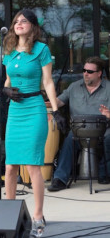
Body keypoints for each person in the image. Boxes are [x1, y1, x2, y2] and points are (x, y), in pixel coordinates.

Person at [2, 9, 64, 237]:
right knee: (10, 167)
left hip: (34, 109)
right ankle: (10, 214)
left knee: (32, 165)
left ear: (33, 26)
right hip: (15, 111)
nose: (19, 24)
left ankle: (38, 215)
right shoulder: (8, 51)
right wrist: (6, 89)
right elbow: (8, 79)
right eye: (16, 21)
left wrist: (55, 110)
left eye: (24, 21)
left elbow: (47, 82)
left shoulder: (41, 50)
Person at [47, 56, 110, 192]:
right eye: (84, 70)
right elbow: (58, 102)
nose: (85, 74)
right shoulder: (74, 87)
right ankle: (60, 179)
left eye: (90, 71)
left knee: (108, 138)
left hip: (103, 129)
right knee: (69, 140)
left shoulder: (109, 88)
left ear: (99, 73)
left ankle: (105, 174)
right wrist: (41, 101)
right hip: (79, 129)